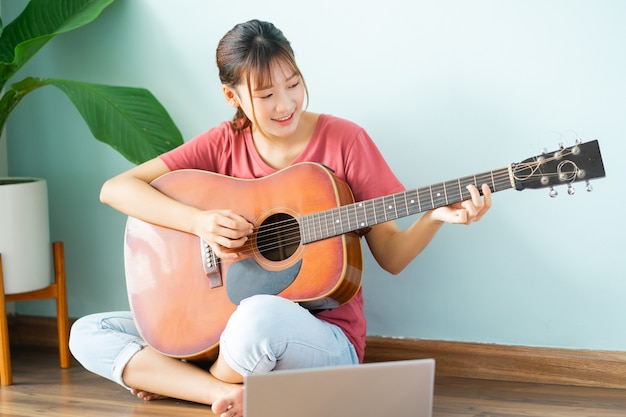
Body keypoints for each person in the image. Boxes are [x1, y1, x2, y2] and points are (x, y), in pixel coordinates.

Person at [69, 19, 492, 417]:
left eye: (293, 84)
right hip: (220, 337)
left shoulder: (346, 141)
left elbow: (392, 257)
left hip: (319, 342)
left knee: (258, 316)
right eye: (267, 94)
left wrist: (435, 216)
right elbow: (116, 189)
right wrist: (199, 222)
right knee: (87, 332)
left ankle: (182, 381)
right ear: (233, 97)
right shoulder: (223, 144)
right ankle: (221, 393)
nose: (286, 103)